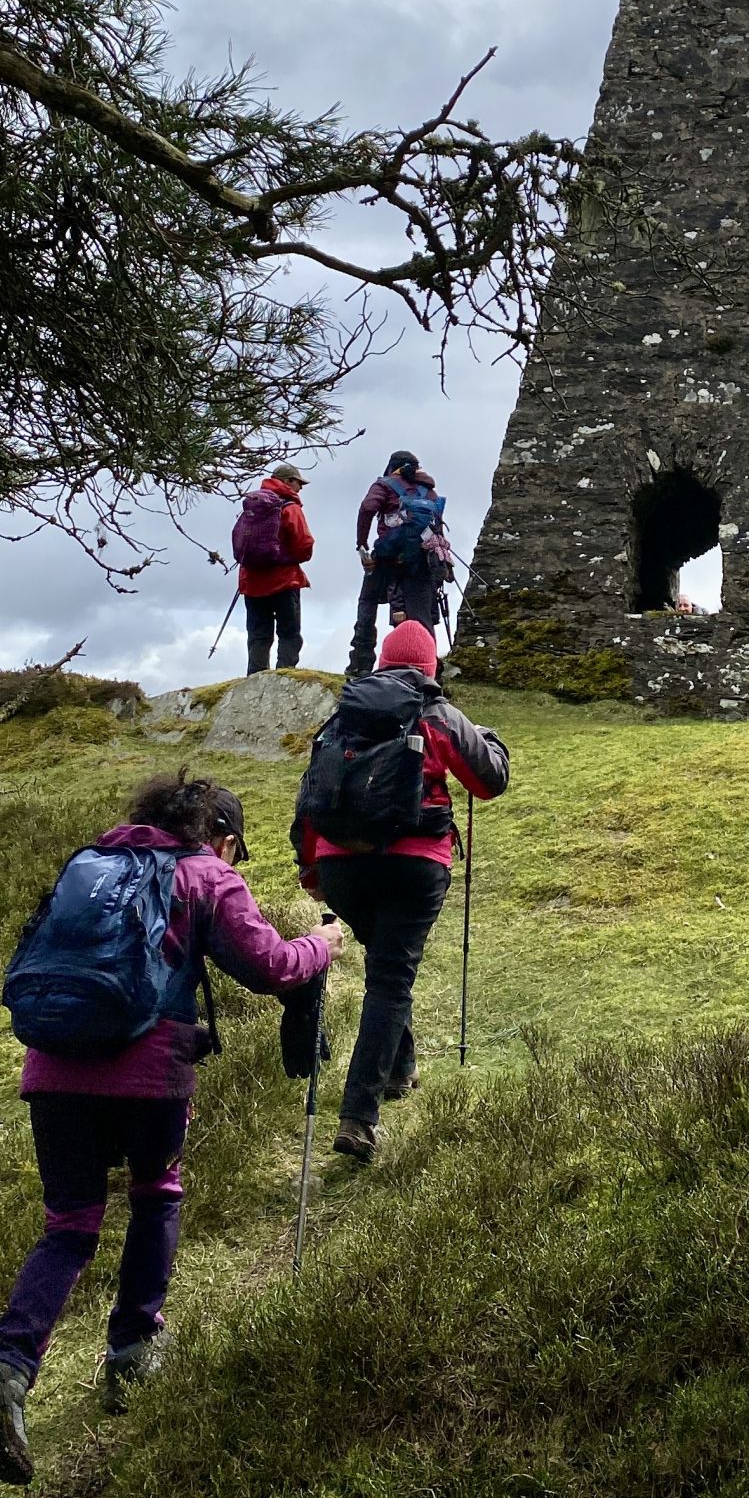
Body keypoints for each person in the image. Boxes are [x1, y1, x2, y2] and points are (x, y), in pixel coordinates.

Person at [0, 774, 343, 1486]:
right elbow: (269, 967)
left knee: (68, 1226)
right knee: (156, 1195)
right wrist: (322, 945)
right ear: (222, 837)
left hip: (52, 1069)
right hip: (147, 1076)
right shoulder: (207, 875)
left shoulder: (89, 863)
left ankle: (5, 1374)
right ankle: (132, 1353)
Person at [293, 621, 508, 1163]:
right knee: (391, 979)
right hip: (414, 865)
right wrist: (491, 741)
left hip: (342, 866)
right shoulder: (436, 714)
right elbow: (490, 781)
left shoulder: (341, 717)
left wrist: (313, 869)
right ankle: (358, 1118)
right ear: (429, 667)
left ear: (383, 662)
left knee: (386, 965)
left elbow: (314, 795)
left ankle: (399, 1069)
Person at [348, 450, 448, 676]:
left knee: (368, 601)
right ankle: (428, 669)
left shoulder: (384, 485)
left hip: (387, 555)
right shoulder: (429, 491)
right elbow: (436, 525)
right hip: (421, 559)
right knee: (421, 614)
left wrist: (362, 544)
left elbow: (367, 508)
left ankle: (360, 664)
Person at [232, 462, 313, 675]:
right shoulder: (289, 508)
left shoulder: (252, 505)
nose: (300, 487)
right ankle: (284, 676)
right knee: (289, 633)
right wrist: (292, 558)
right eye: (298, 482)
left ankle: (255, 676)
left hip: (252, 582)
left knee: (258, 634)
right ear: (287, 482)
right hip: (284, 581)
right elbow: (304, 544)